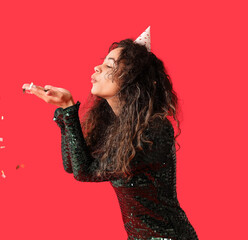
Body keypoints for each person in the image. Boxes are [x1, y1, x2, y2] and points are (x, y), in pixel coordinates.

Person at [22, 37, 198, 239]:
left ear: (131, 79)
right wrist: (63, 109)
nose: (97, 68)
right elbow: (72, 164)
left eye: (109, 66)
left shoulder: (154, 130)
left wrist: (69, 109)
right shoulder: (117, 127)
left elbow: (84, 172)